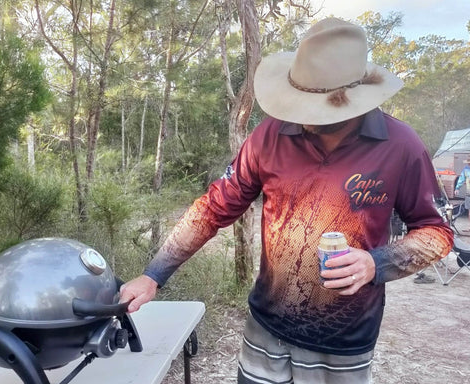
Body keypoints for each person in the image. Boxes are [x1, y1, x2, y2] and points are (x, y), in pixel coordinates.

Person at [120, 18, 453, 384]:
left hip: (343, 342)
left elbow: (437, 232)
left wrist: (376, 263)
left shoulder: (400, 146)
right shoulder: (269, 136)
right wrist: (153, 275)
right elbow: (213, 208)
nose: (303, 115)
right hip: (265, 329)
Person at [454, 159, 470, 224]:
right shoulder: (466, 169)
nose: (469, 164)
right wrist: (457, 188)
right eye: (469, 163)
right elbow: (461, 179)